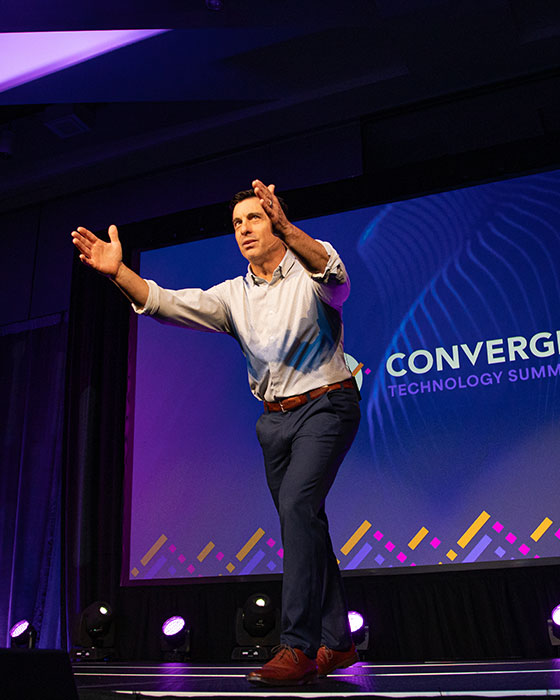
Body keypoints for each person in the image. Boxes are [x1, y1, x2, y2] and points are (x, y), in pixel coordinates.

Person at [71, 179, 361, 686]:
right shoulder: (233, 296)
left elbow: (333, 274)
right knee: (305, 521)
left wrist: (290, 228)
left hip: (327, 405)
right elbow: (165, 304)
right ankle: (336, 642)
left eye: (253, 218)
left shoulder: (312, 274)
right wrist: (119, 273)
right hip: (274, 421)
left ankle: (297, 647)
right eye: (236, 224)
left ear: (274, 220)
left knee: (297, 508)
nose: (244, 229)